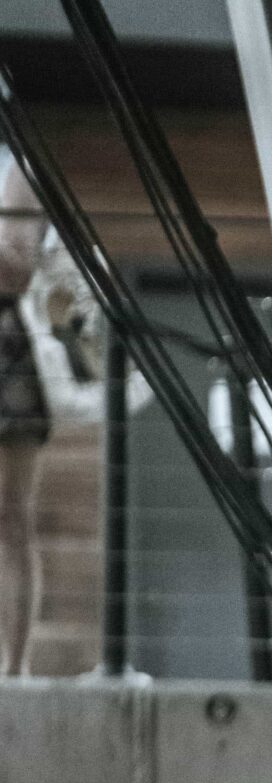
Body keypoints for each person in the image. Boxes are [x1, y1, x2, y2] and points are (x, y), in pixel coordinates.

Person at [0, 155, 53, 675]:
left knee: (11, 516)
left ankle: (14, 671)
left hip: (3, 344)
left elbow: (15, 270)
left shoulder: (14, 166)